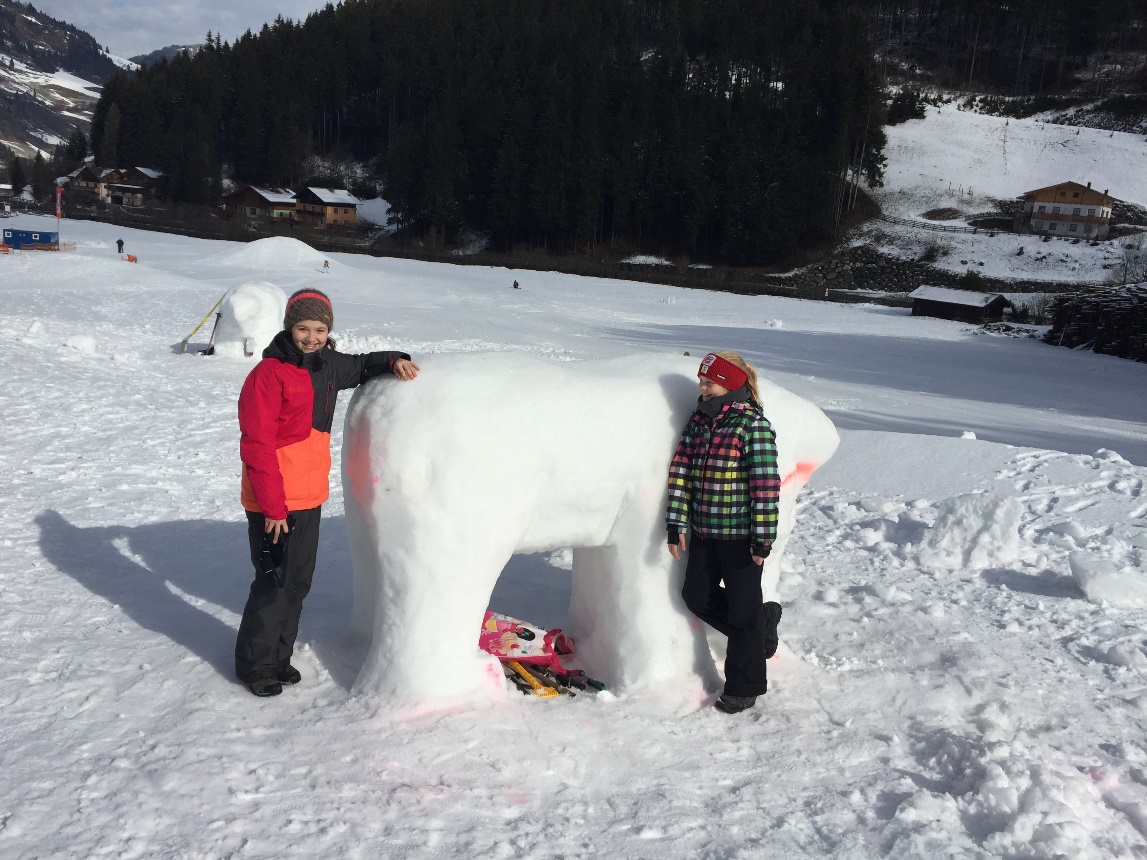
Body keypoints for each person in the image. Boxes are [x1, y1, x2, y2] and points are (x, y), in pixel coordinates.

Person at [235, 288, 420, 697]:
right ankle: (255, 667)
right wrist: (273, 508)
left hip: (308, 496)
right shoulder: (267, 375)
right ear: (290, 327)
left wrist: (395, 360)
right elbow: (257, 445)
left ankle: (278, 659)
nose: (311, 337)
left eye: (320, 329)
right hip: (274, 501)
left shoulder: (327, 365)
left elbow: (363, 364)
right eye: (303, 328)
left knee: (297, 582)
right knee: (274, 582)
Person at [666, 351, 782, 714]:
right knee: (696, 596)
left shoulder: (752, 425)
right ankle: (761, 623)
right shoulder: (700, 419)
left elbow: (766, 486)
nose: (702, 387)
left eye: (709, 382)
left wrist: (762, 539)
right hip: (704, 532)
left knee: (743, 615)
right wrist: (676, 522)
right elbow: (681, 470)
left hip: (742, 539)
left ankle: (745, 686)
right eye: (701, 381)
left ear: (730, 384)